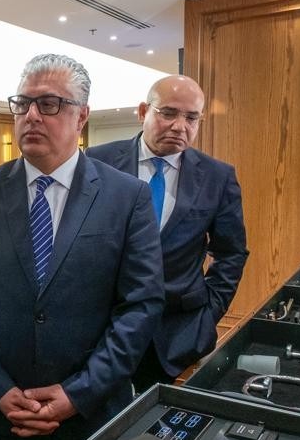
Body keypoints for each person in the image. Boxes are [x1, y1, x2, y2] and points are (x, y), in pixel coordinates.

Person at [0, 53, 164, 440]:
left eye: (49, 104)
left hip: (90, 415)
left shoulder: (127, 196)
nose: (32, 116)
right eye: (23, 103)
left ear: (81, 117)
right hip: (4, 418)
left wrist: (77, 393)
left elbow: (140, 307)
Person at [87, 74, 248, 389]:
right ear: (143, 111)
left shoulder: (217, 176)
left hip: (175, 335)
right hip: (101, 329)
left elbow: (231, 253)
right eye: (169, 113)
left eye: (191, 118)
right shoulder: (97, 162)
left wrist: (209, 312)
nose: (179, 126)